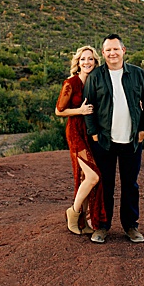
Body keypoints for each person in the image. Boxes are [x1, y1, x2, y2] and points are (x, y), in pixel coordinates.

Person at [82, 34, 144, 244]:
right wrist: (93, 132)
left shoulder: (137, 74)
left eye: (116, 49)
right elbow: (88, 106)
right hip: (104, 141)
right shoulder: (96, 76)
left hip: (131, 140)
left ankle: (131, 226)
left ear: (123, 51)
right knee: (105, 185)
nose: (112, 53)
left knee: (130, 184)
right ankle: (102, 226)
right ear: (103, 54)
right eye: (108, 50)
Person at [54, 45, 107, 237]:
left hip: (90, 133)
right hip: (76, 132)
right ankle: (74, 213)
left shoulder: (95, 83)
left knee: (86, 178)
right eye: (83, 59)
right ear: (78, 62)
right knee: (93, 176)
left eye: (91, 59)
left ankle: (83, 219)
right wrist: (80, 111)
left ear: (95, 62)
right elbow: (59, 110)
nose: (87, 62)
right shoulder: (71, 83)